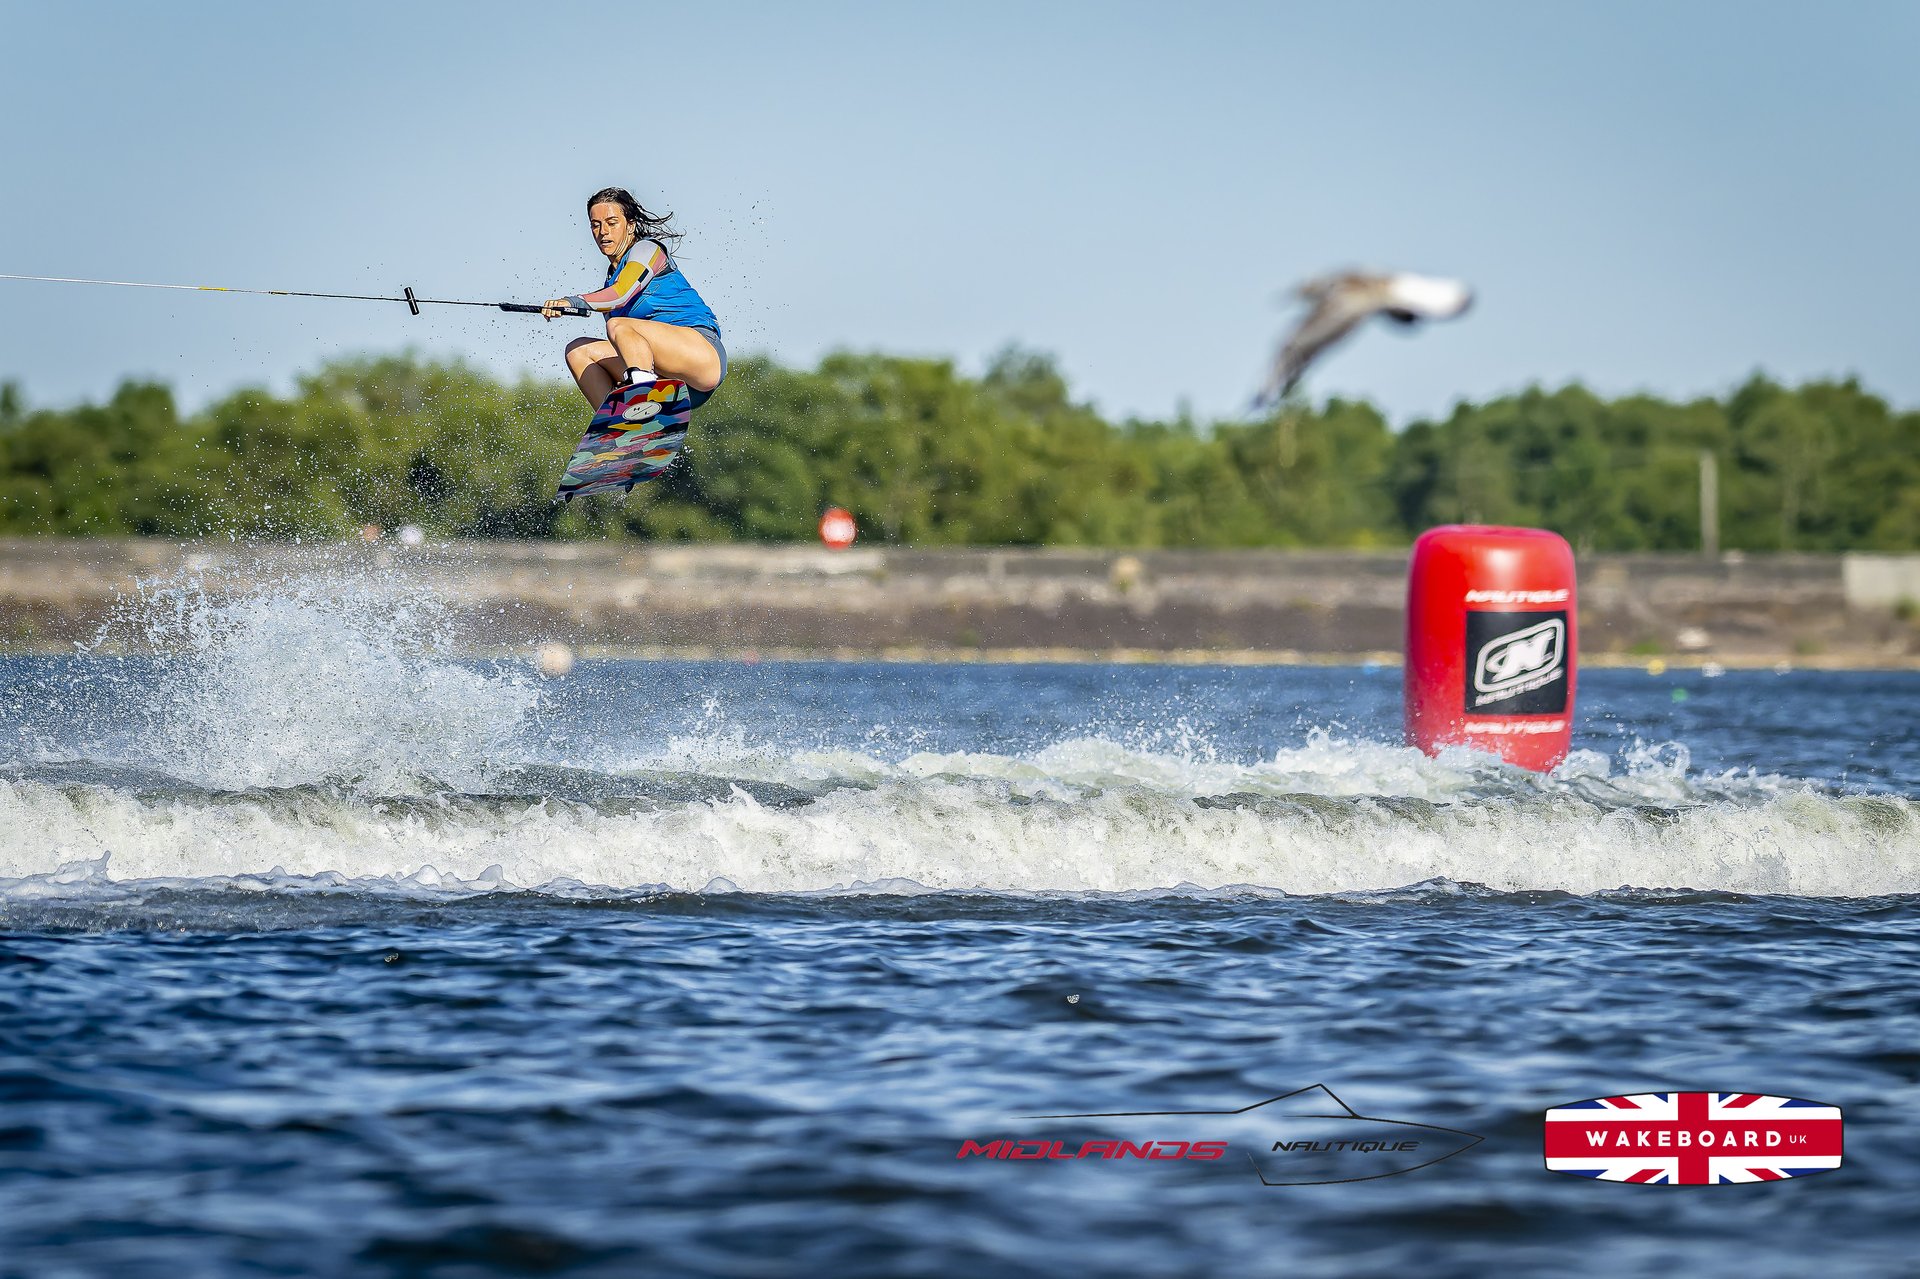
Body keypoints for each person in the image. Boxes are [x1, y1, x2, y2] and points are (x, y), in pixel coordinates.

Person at [543, 187, 727, 413]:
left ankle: (642, 403)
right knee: (578, 350)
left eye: (612, 223)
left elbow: (621, 294)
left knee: (618, 326)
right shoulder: (610, 279)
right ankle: (618, 424)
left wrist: (574, 301)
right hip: (665, 376)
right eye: (595, 224)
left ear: (630, 226)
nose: (603, 232)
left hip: (701, 358)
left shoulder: (647, 250)